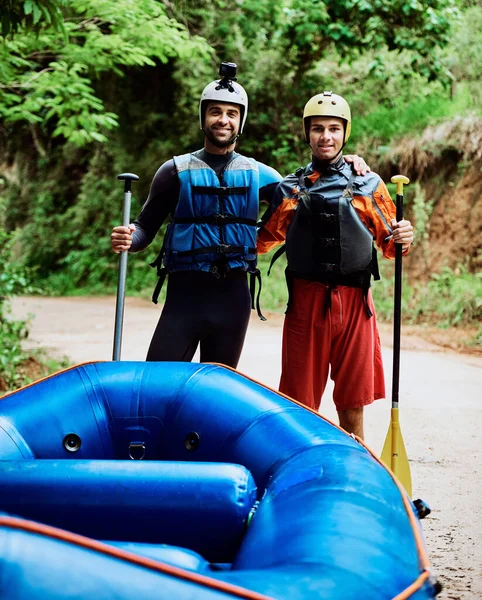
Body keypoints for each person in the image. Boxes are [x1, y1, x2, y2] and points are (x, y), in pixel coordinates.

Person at [111, 67, 370, 369]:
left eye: (232, 113)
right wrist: (130, 236)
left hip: (233, 300)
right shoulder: (173, 172)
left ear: (240, 121)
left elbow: (311, 191)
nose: (223, 119)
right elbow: (144, 228)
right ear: (203, 118)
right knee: (157, 382)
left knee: (217, 393)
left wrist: (346, 163)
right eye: (215, 112)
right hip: (184, 298)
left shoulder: (261, 175)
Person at [257, 91, 414, 439]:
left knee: (352, 401)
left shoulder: (368, 185)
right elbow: (261, 241)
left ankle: (355, 468)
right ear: (307, 133)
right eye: (317, 129)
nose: (325, 136)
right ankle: (302, 474)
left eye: (333, 128)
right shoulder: (290, 189)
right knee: (299, 404)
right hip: (306, 302)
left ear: (345, 133)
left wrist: (404, 236)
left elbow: (391, 247)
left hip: (356, 304)